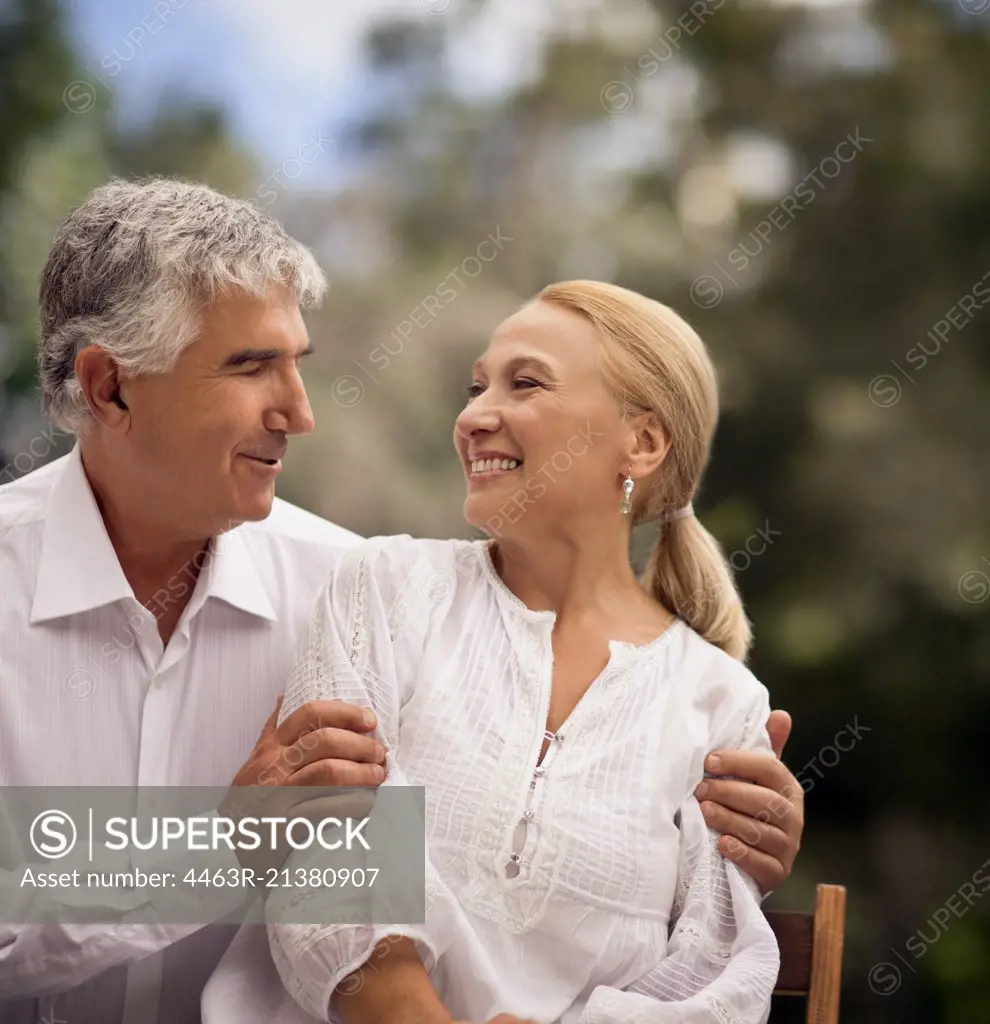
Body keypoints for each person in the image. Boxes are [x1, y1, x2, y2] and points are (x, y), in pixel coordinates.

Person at [0, 179, 800, 1024]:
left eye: (296, 365)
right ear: (110, 388)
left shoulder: (345, 581)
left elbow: (701, 954)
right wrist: (220, 842)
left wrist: (724, 843)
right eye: (249, 367)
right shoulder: (380, 598)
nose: (300, 414)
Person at [203, 281, 785, 1023]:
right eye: (476, 387)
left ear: (641, 442)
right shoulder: (384, 590)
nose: (474, 417)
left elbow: (716, 977)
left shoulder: (724, 705)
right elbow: (323, 864)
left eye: (525, 383)